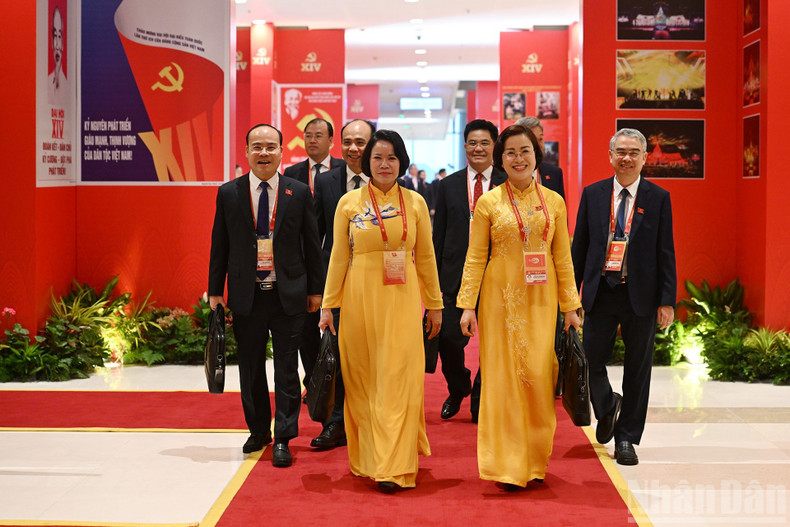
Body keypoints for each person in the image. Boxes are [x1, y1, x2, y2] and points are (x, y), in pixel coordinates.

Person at [458, 124, 581, 490]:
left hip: (542, 302)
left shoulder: (554, 202)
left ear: (536, 155)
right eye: (510, 152)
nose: (518, 158)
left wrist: (571, 306)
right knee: (502, 380)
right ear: (501, 160)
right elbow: (476, 256)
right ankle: (507, 464)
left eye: (525, 151)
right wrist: (467, 305)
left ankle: (534, 458)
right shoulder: (489, 202)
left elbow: (563, 258)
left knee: (539, 378)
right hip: (499, 302)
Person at [319, 129, 443, 492]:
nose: (385, 164)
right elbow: (338, 258)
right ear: (366, 163)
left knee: (398, 379)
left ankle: (395, 466)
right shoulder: (349, 204)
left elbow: (426, 258)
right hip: (359, 302)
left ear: (401, 160)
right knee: (362, 381)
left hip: (402, 302)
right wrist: (329, 306)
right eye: (378, 158)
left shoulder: (417, 203)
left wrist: (435, 304)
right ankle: (369, 459)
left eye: (391, 158)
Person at [208, 124, 324, 467]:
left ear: (281, 152)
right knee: (251, 369)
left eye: (270, 147)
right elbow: (220, 245)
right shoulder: (229, 193)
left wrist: (316, 289)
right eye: (256, 147)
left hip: (288, 294)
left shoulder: (298, 192)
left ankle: (284, 437)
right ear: (246, 152)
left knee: (287, 370)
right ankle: (258, 429)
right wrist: (216, 291)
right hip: (247, 295)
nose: (263, 153)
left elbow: (312, 245)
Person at [571, 128, 676, 466]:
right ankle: (607, 407)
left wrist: (667, 300)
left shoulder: (658, 198)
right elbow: (580, 248)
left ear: (645, 158)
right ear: (610, 155)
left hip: (640, 295)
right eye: (621, 151)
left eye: (634, 152)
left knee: (638, 370)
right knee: (589, 361)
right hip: (600, 292)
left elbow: (666, 252)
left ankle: (627, 439)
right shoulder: (593, 194)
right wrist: (570, 296)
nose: (627, 158)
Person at [432, 119, 506, 422]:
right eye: (472, 143)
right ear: (464, 147)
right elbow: (439, 234)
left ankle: (479, 396)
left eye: (484, 143)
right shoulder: (448, 185)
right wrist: (433, 280)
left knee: (493, 342)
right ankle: (459, 384)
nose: (478, 148)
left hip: (497, 274)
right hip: (454, 275)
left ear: (494, 147)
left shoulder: (506, 182)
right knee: (448, 338)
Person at [309, 119, 375, 450]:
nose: (353, 148)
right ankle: (336, 422)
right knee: (335, 353)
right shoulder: (325, 181)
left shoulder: (389, 181)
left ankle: (372, 420)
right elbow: (316, 236)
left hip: (378, 285)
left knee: (373, 354)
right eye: (347, 141)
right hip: (336, 283)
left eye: (360, 142)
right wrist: (318, 289)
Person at [283, 118, 345, 399]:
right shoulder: (292, 172)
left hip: (339, 256)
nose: (312, 141)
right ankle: (314, 379)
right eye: (308, 136)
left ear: (331, 141)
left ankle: (339, 382)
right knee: (306, 327)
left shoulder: (344, 171)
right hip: (304, 260)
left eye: (319, 136)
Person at [515, 117, 565, 199]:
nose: (539, 145)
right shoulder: (506, 173)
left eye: (540, 139)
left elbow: (560, 210)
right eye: (533, 140)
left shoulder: (554, 173)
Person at [48, 6, 66, 105]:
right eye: (55, 36)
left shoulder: (68, 86)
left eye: (60, 36)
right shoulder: (46, 84)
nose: (57, 46)